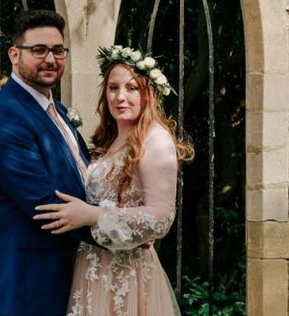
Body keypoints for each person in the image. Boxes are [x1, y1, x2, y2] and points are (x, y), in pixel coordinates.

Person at [34, 44, 194, 316]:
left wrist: (92, 216)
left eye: (132, 88)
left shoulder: (154, 139)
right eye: (113, 88)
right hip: (92, 269)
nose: (121, 97)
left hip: (126, 276)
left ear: (149, 93)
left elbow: (161, 217)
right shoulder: (112, 139)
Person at [0, 9, 93, 316]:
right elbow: (45, 206)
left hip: (60, 274)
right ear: (14, 54)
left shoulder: (59, 111)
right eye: (38, 50)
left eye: (57, 50)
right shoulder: (4, 116)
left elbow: (81, 178)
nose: (50, 59)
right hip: (25, 284)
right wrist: (121, 229)